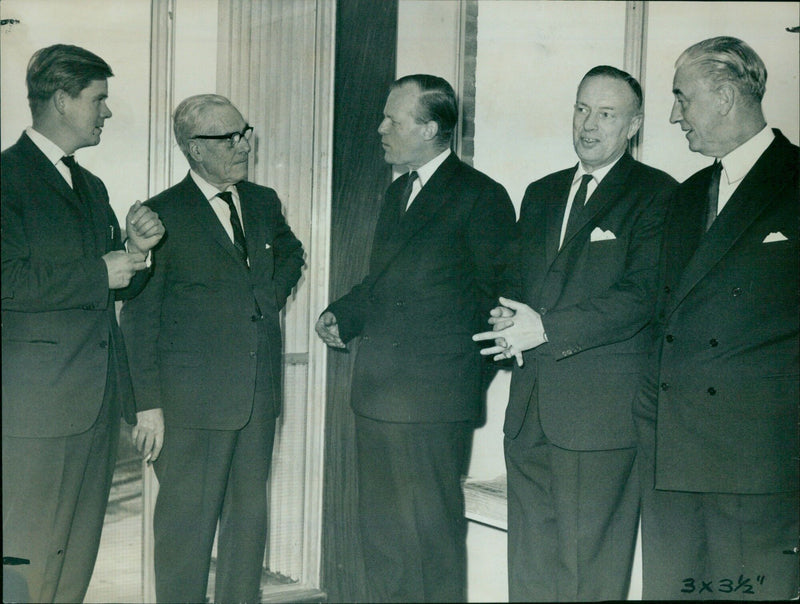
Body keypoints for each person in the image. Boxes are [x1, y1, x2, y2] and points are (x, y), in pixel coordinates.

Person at [474, 65, 677, 601]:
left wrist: (544, 327)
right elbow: (515, 282)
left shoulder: (658, 195)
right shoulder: (541, 193)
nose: (589, 124)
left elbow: (641, 296)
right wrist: (504, 317)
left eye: (606, 114)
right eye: (582, 109)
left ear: (632, 125)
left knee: (588, 574)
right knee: (531, 570)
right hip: (529, 414)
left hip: (599, 420)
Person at [315, 74, 515, 602]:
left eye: (392, 119)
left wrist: (453, 381)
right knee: (381, 539)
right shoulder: (398, 192)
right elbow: (382, 284)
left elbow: (495, 305)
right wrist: (344, 315)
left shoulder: (481, 197)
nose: (380, 128)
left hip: (432, 405)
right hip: (377, 397)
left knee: (430, 542)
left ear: (429, 128)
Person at [120, 94, 304, 603]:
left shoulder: (263, 201)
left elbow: (291, 252)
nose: (243, 144)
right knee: (186, 536)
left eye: (245, 132)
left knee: (248, 531)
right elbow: (138, 316)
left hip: (257, 399)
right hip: (190, 409)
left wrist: (267, 295)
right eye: (229, 137)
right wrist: (147, 405)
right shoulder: (160, 215)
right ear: (195, 149)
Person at [633, 36, 799, 600]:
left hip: (756, 468)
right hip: (671, 464)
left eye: (682, 97)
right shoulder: (684, 198)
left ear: (725, 97)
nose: (675, 114)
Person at [1, 44, 165, 603]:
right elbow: (7, 278)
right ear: (63, 100)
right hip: (33, 412)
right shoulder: (5, 178)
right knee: (24, 560)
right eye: (99, 99)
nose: (107, 112)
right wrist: (101, 269)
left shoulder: (89, 186)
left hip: (93, 407)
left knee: (76, 561)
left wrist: (136, 251)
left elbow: (114, 285)